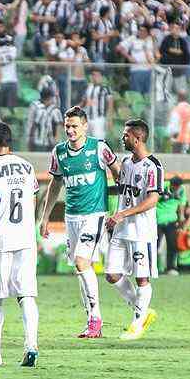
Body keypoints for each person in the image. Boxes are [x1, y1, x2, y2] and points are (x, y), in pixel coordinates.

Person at [40, 106, 120, 338]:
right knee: (79, 267)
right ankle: (93, 318)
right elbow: (55, 184)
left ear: (85, 126)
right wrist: (44, 217)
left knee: (81, 261)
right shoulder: (59, 152)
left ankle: (96, 318)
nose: (71, 131)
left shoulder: (99, 148)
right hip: (71, 217)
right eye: (68, 126)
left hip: (94, 215)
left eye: (75, 126)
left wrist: (117, 210)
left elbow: (118, 173)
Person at [0, 122, 40, 367]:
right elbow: (33, 202)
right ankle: (31, 345)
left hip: (0, 240)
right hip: (25, 238)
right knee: (26, 295)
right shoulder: (27, 167)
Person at [104, 119, 162, 340]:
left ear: (137, 139)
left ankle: (137, 324)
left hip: (141, 232)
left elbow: (152, 200)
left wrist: (122, 214)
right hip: (121, 230)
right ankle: (142, 311)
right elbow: (124, 190)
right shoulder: (126, 163)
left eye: (126, 135)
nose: (123, 137)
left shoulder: (153, 166)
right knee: (111, 274)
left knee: (142, 279)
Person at [156, 177, 190, 276]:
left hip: (172, 220)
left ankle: (171, 267)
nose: (176, 188)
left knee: (172, 245)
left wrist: (181, 219)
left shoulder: (181, 190)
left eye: (177, 186)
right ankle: (152, 267)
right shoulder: (162, 187)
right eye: (174, 186)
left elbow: (181, 206)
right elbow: (153, 199)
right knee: (155, 245)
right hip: (158, 219)